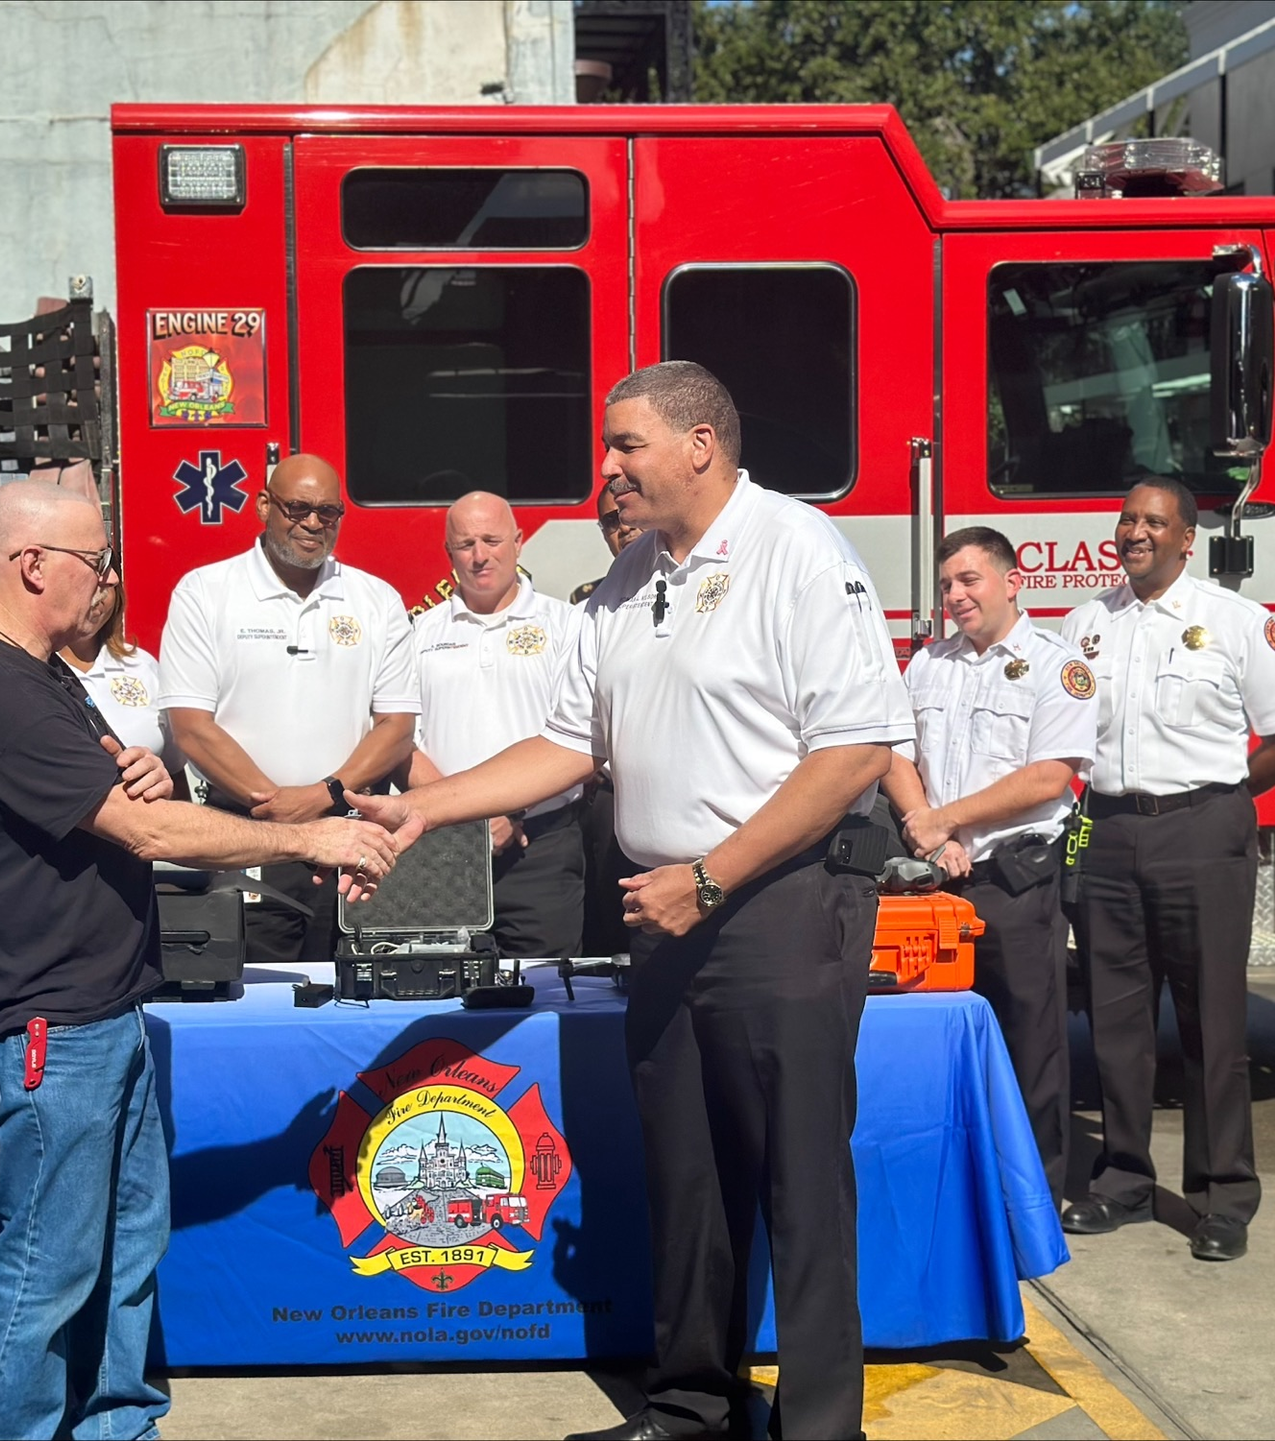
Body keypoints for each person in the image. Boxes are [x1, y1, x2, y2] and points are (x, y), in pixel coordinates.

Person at [349, 362, 912, 1441]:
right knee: (687, 1174)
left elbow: (853, 752)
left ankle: (820, 1425)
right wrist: (425, 809)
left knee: (800, 1181)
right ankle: (694, 1403)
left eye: (626, 444)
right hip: (668, 912)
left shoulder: (797, 550)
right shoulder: (627, 578)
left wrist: (713, 877)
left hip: (780, 906)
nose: (606, 467)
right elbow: (567, 743)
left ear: (701, 445)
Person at [0, 480, 396, 1439]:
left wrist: (149, 768)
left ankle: (118, 1422)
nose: (107, 579)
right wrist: (314, 838)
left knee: (127, 1243)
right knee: (49, 1263)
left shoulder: (36, 672)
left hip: (101, 1008)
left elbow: (121, 788)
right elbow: (144, 830)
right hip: (49, 1024)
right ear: (31, 564)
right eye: (94, 560)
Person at [1058, 477, 1275, 1264]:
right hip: (1108, 830)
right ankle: (1124, 1179)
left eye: (1153, 521)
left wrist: (1224, 797)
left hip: (1203, 830)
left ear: (1186, 539)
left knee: (1212, 1021)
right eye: (1127, 519)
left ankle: (1220, 1194)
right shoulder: (1085, 624)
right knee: (1116, 1021)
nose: (1135, 532)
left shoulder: (1236, 622)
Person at [881, 526, 1096, 1208]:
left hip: (1014, 882)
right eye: (947, 584)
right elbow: (895, 756)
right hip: (934, 881)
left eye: (969, 580)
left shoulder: (1057, 667)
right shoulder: (927, 665)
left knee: (1030, 1046)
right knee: (939, 1046)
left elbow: (1049, 776)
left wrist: (947, 820)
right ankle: (957, 1196)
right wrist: (926, 829)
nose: (955, 595)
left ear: (1012, 582)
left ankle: (1032, 1205)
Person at [160, 454, 418, 962]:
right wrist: (275, 806)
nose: (314, 523)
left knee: (353, 989)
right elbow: (191, 727)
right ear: (264, 506)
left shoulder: (376, 600)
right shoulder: (205, 593)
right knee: (251, 985)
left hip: (350, 835)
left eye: (329, 511)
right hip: (245, 832)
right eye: (298, 508)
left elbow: (396, 726)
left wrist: (325, 794)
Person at [411, 491, 586, 959]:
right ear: (448, 552)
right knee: (444, 985)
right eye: (465, 544)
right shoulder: (419, 633)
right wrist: (463, 816)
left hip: (540, 848)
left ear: (518, 542)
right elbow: (401, 742)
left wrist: (512, 809)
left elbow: (579, 733)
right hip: (442, 849)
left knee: (543, 986)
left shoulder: (568, 626)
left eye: (492, 541)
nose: (480, 555)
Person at [576, 479, 647, 954]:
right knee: (615, 929)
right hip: (611, 795)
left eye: (626, 514)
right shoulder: (592, 608)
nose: (622, 527)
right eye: (609, 521)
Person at [60, 581, 190, 800]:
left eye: (106, 573)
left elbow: (174, 771)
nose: (102, 586)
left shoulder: (141, 664)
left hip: (148, 817)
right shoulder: (28, 668)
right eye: (89, 571)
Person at [569, 480, 644, 604]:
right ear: (604, 534)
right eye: (611, 521)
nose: (625, 528)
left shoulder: (679, 586)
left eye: (633, 515)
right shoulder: (588, 601)